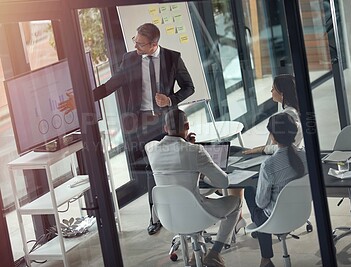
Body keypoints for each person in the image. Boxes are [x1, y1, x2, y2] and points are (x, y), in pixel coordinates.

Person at [58, 23, 195, 235]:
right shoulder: (130, 59)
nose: (136, 46)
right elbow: (109, 86)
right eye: (135, 41)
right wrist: (80, 99)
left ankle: (185, 208)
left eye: (140, 44)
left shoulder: (172, 58)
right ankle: (156, 216)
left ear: (153, 45)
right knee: (151, 171)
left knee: (174, 167)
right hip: (142, 124)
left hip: (168, 122)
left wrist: (170, 99)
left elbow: (189, 87)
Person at [145, 109, 242, 267]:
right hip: (196, 213)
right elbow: (223, 182)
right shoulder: (195, 151)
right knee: (235, 202)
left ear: (164, 128)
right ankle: (214, 254)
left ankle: (195, 256)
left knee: (192, 203)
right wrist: (202, 174)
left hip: (168, 215)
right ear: (187, 125)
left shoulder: (151, 149)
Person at [244, 112, 308, 267]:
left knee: (250, 193)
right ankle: (263, 235)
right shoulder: (305, 156)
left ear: (272, 136)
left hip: (277, 218)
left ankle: (266, 258)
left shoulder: (268, 166)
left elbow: (261, 203)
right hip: (301, 212)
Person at [243, 74, 303, 155]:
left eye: (273, 89)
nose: (271, 91)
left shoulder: (290, 114)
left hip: (278, 156)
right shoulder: (287, 107)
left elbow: (287, 147)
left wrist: (262, 149)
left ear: (282, 94)